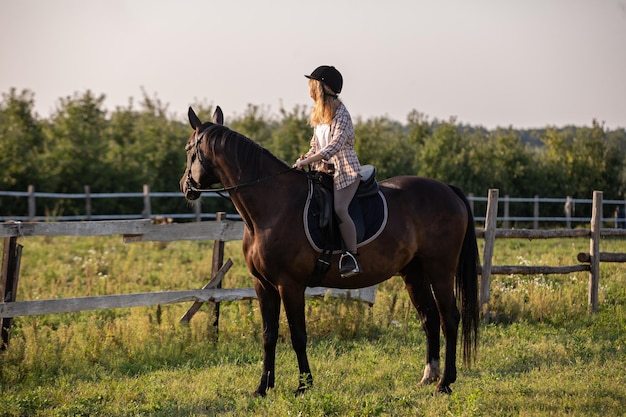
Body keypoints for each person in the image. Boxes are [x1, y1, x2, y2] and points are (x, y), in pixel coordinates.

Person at [293, 65, 362, 277]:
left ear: (322, 87)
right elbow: (316, 145)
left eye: (312, 84)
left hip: (345, 171)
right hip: (322, 170)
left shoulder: (342, 114)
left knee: (340, 208)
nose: (309, 89)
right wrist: (304, 157)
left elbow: (334, 146)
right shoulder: (320, 114)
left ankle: (351, 257)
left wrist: (309, 160)